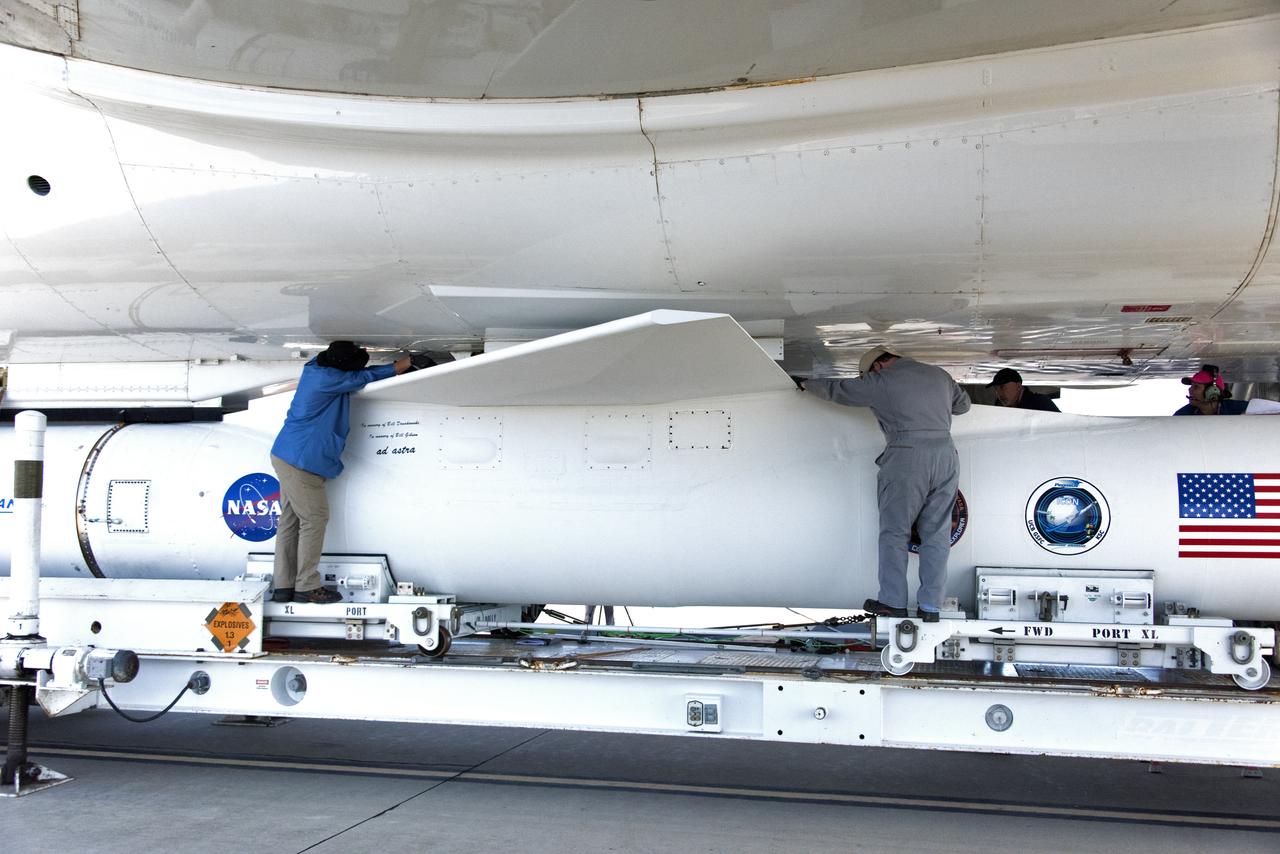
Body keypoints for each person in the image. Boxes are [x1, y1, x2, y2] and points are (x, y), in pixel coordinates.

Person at [798, 346, 971, 622]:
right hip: (946, 455)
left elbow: (840, 390)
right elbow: (963, 405)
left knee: (895, 531)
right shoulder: (940, 375)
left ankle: (892, 601)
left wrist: (806, 384)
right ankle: (931, 607)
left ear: (877, 366)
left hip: (907, 456)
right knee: (937, 534)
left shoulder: (882, 381)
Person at [271, 341, 410, 604]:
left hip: (289, 454)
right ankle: (306, 586)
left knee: (291, 522)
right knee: (314, 518)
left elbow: (351, 371)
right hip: (302, 461)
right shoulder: (327, 379)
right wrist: (396, 367)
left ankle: (284, 586)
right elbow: (361, 377)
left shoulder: (316, 367)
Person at [1173, 365, 1248, 416]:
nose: (1190, 389)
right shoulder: (1183, 414)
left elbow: (1258, 407)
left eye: (1196, 386)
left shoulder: (1233, 407)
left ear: (1212, 392)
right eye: (1191, 385)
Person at [987, 368, 1060, 412]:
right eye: (996, 389)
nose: (999, 393)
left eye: (1002, 387)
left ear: (1018, 386)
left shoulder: (1040, 403)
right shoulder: (1000, 408)